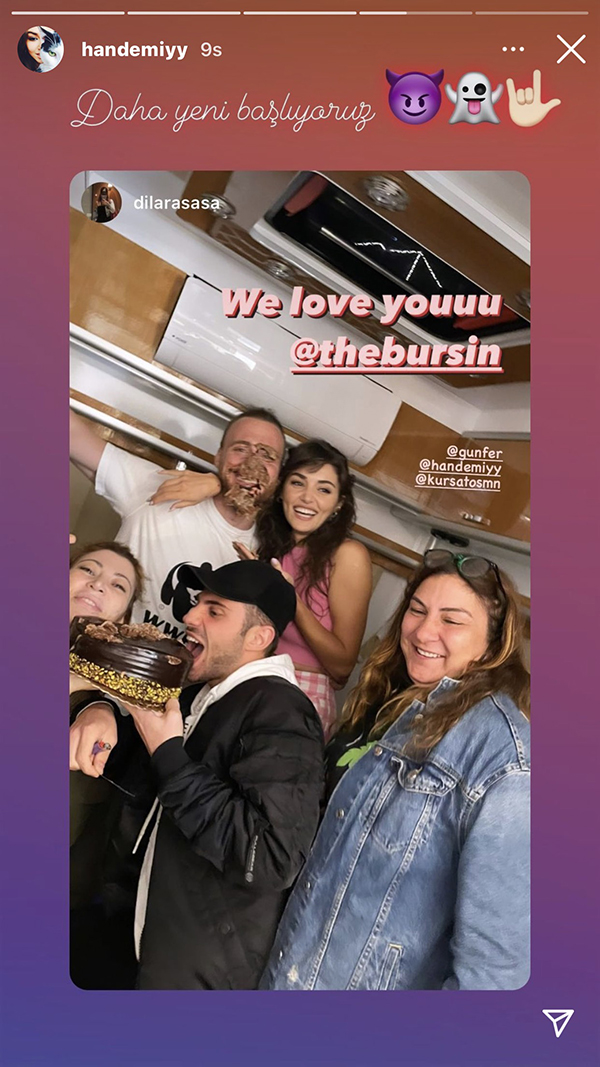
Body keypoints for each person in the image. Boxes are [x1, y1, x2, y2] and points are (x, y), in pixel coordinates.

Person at [261, 549, 531, 991]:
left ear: (494, 642)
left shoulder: (506, 762)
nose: (424, 631)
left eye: (452, 620)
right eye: (417, 610)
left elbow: (493, 977)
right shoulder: (399, 701)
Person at [69, 559, 324, 989]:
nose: (189, 616)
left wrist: (168, 754)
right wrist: (98, 708)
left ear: (259, 638)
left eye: (214, 610)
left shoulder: (282, 710)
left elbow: (269, 857)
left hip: (185, 978)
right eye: (197, 603)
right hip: (118, 938)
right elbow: (141, 776)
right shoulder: (198, 692)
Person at [156, 439, 373, 740]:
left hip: (299, 691)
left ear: (338, 504)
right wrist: (212, 482)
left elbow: (342, 666)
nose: (307, 498)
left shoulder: (348, 554)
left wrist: (287, 594)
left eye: (324, 489)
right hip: (238, 680)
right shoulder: (266, 541)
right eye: (298, 483)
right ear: (281, 489)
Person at [69, 407, 286, 638]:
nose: (252, 463)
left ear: (280, 475)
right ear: (219, 456)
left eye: (267, 455)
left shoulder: (271, 550)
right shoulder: (161, 486)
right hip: (101, 652)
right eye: (240, 449)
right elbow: (69, 431)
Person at [69, 540, 146, 987]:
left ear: (123, 618)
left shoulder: (118, 695)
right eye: (88, 570)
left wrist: (99, 704)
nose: (99, 585)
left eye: (118, 585)